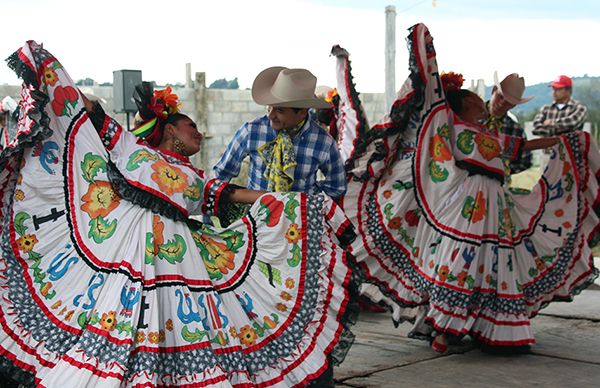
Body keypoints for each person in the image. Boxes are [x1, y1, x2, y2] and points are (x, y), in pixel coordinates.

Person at [0, 41, 355, 387]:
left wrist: (282, 201)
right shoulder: (134, 150)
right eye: (192, 128)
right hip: (136, 253)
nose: (199, 133)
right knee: (134, 319)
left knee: (191, 315)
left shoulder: (194, 173)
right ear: (171, 129)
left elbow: (221, 191)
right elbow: (94, 116)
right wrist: (51, 73)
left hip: (187, 251)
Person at [342, 23, 600, 355]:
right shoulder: (449, 129)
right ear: (460, 108)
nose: (483, 108)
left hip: (495, 210)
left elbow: (522, 146)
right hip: (464, 210)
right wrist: (425, 47)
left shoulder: (488, 134)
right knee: (459, 264)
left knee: (491, 267)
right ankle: (444, 330)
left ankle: (486, 326)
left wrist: (566, 142)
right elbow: (432, 95)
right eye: (477, 104)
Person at [213, 66, 347, 202]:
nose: (271, 115)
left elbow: (336, 187)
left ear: (302, 112)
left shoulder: (323, 142)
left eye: (280, 110)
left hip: (300, 221)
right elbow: (221, 174)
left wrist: (307, 200)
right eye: (269, 107)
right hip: (254, 218)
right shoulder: (252, 131)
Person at [486, 72, 533, 175]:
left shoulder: (516, 130)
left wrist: (502, 170)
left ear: (513, 106)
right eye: (500, 96)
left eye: (508, 102)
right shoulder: (469, 115)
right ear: (494, 90)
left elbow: (525, 161)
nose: (502, 103)